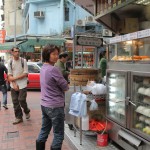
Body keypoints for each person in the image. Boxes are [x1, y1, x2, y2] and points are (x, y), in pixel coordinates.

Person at [36, 44, 69, 150]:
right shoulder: (53, 69)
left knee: (44, 130)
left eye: (57, 54)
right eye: (53, 54)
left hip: (44, 105)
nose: (56, 56)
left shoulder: (43, 68)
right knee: (58, 135)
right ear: (47, 54)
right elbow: (65, 87)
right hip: (55, 106)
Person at [7, 46, 30, 125]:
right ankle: (19, 117)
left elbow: (25, 73)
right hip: (13, 85)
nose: (17, 53)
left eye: (18, 51)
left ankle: (26, 110)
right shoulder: (10, 62)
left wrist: (15, 78)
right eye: (15, 51)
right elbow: (9, 75)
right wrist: (14, 83)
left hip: (23, 84)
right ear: (12, 53)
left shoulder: (23, 61)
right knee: (15, 102)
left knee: (21, 100)